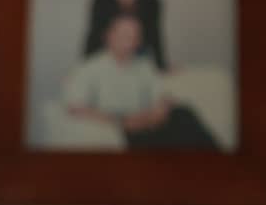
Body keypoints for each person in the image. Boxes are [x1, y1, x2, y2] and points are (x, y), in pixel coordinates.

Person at [64, 13, 217, 149]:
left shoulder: (144, 65)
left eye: (135, 35)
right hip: (122, 124)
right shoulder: (89, 67)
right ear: (108, 36)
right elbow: (76, 107)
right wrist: (121, 121)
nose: (130, 39)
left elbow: (159, 95)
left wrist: (161, 108)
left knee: (183, 113)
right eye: (124, 34)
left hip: (149, 120)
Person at [83, 0, 168, 71]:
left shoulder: (151, 2)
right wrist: (85, 65)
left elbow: (154, 35)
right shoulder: (101, 1)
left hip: (139, 52)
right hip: (108, 52)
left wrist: (161, 65)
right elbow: (94, 33)